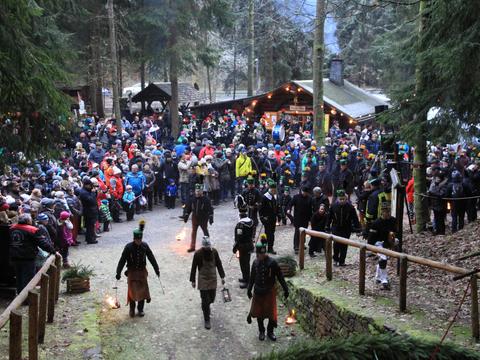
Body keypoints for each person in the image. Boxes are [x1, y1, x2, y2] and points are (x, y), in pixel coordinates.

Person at [247, 238, 289, 341]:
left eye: (262, 254)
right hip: (258, 291)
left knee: (271, 314)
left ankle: (270, 331)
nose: (260, 256)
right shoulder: (255, 263)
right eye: (259, 254)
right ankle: (261, 331)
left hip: (269, 292)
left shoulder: (272, 263)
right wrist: (249, 289)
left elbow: (280, 277)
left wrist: (286, 289)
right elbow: (252, 277)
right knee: (259, 313)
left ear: (265, 253)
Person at [116, 225, 160, 317]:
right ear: (134, 239)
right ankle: (132, 309)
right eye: (137, 240)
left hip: (142, 272)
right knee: (132, 291)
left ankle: (140, 309)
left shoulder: (145, 246)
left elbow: (151, 257)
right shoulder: (128, 247)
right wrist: (118, 272)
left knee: (143, 290)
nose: (138, 241)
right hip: (132, 272)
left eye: (140, 240)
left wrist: (156, 269)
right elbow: (122, 260)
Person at [10, 214, 55, 294]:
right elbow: (42, 243)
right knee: (28, 279)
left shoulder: (12, 228)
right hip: (28, 257)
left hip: (14, 256)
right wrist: (53, 251)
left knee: (19, 277)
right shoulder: (32, 230)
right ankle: (27, 298)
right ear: (28, 221)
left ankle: (20, 295)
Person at [190, 236, 226, 330]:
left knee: (212, 298)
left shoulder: (214, 252)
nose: (208, 248)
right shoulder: (198, 254)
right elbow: (194, 267)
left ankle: (205, 305)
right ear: (203, 246)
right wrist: (193, 280)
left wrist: (222, 276)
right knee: (205, 301)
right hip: (203, 279)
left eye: (209, 246)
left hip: (212, 278)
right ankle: (207, 319)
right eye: (206, 247)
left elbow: (219, 264)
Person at [327, 190, 360, 266]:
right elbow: (329, 217)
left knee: (344, 245)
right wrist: (327, 226)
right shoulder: (333, 206)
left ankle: (342, 261)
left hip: (346, 228)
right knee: (336, 244)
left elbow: (355, 218)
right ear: (338, 198)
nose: (342, 201)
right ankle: (335, 259)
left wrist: (358, 228)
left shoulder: (350, 207)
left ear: (346, 198)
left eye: (343, 199)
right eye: (340, 199)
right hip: (336, 228)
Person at [368, 202, 397, 290]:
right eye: (385, 211)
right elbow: (371, 238)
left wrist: (392, 241)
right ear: (381, 211)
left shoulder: (393, 220)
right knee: (383, 259)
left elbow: (396, 232)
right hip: (378, 243)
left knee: (383, 259)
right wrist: (372, 249)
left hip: (389, 242)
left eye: (388, 211)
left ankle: (377, 277)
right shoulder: (376, 223)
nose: (387, 213)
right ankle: (384, 280)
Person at [183, 184, 214, 252]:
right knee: (193, 232)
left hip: (203, 218)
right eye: (196, 191)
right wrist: (186, 215)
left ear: (202, 191)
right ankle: (192, 246)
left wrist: (211, 217)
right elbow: (189, 208)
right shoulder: (192, 199)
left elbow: (210, 209)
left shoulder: (206, 199)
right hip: (195, 218)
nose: (197, 192)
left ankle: (208, 246)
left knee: (205, 232)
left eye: (199, 191)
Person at [233, 200, 254, 288]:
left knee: (243, 263)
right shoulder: (251, 221)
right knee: (247, 262)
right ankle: (246, 277)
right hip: (249, 244)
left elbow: (238, 238)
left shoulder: (240, 224)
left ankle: (247, 281)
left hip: (242, 246)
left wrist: (235, 247)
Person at [288, 186, 313, 254]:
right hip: (297, 218)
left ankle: (302, 244)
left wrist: (311, 219)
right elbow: (290, 204)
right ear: (301, 191)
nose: (304, 193)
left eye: (306, 192)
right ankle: (296, 246)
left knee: (304, 232)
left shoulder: (310, 198)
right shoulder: (296, 197)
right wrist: (289, 209)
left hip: (305, 218)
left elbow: (310, 209)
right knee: (297, 232)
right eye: (303, 192)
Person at [259, 180, 279, 254]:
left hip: (272, 219)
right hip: (266, 219)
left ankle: (270, 247)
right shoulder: (264, 197)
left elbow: (275, 207)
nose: (275, 191)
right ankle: (265, 248)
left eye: (275, 190)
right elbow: (260, 210)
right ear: (270, 189)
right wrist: (262, 218)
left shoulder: (274, 197)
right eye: (274, 190)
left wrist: (277, 215)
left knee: (272, 234)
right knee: (268, 234)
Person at [78, 177, 98, 244]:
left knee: (91, 226)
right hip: (88, 211)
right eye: (90, 185)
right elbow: (91, 200)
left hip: (91, 210)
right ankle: (90, 239)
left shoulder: (87, 191)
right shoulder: (84, 192)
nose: (91, 187)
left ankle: (90, 238)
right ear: (86, 185)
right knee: (90, 226)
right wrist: (93, 193)